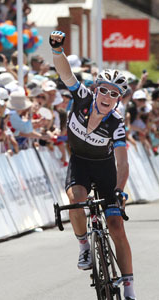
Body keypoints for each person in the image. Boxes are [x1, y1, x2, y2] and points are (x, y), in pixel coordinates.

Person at [49, 31, 137, 300]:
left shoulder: (117, 123)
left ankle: (130, 289)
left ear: (119, 99)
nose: (107, 96)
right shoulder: (83, 98)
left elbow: (122, 163)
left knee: (116, 225)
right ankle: (84, 245)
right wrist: (56, 49)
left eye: (114, 93)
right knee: (75, 200)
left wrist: (120, 191)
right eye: (104, 90)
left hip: (105, 169)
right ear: (96, 89)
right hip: (80, 163)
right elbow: (66, 76)